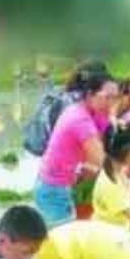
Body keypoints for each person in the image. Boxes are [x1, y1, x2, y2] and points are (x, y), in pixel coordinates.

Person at [34, 67, 119, 226]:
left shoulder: (89, 111)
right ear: (90, 94)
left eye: (115, 98)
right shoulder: (80, 119)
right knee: (63, 239)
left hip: (60, 183)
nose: (112, 103)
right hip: (53, 190)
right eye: (107, 97)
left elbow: (103, 137)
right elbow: (102, 161)